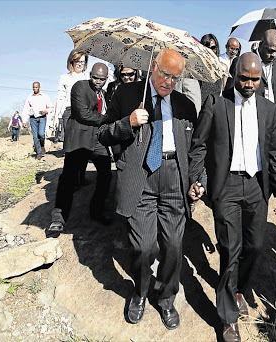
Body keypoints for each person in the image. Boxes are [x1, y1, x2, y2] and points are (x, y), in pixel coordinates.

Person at [188, 52, 276, 342]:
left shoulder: (269, 111)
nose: (249, 84)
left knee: (254, 246)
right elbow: (199, 146)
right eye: (244, 78)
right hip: (226, 187)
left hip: (257, 187)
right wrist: (198, 178)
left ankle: (240, 289)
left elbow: (274, 153)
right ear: (234, 75)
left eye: (255, 79)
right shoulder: (217, 104)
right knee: (230, 251)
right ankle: (228, 319)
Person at [97, 49, 197, 329]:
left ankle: (166, 299)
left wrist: (196, 178)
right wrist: (127, 124)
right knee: (143, 247)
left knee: (174, 247)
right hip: (141, 178)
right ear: (154, 66)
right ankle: (140, 293)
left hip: (175, 179)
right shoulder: (127, 95)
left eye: (175, 78)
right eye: (164, 74)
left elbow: (196, 148)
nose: (168, 82)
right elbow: (103, 133)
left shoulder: (185, 105)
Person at [49, 63, 112, 232]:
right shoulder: (80, 87)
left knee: (106, 174)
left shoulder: (104, 94)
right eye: (95, 77)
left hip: (97, 140)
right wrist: (106, 118)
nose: (98, 81)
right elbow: (83, 114)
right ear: (90, 74)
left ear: (106, 79)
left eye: (102, 79)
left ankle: (96, 211)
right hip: (80, 138)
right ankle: (58, 218)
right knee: (68, 178)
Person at [53, 51, 89, 143]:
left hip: (85, 112)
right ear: (72, 61)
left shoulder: (88, 77)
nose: (80, 64)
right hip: (69, 111)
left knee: (83, 140)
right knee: (70, 140)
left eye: (82, 62)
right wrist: (56, 116)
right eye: (77, 61)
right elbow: (61, 97)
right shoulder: (65, 78)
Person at [21, 82, 53, 160]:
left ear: (39, 87)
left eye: (36, 87)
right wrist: (24, 121)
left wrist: (46, 111)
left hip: (42, 117)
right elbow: (26, 109)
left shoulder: (45, 96)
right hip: (32, 118)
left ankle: (42, 145)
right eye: (33, 87)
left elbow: (51, 107)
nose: (35, 89)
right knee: (35, 136)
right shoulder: (30, 97)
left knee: (41, 134)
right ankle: (38, 153)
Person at [199, 33, 227, 106]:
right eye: (207, 47)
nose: (210, 50)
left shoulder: (223, 67)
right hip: (201, 105)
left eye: (213, 47)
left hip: (217, 105)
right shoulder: (198, 67)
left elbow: (224, 89)